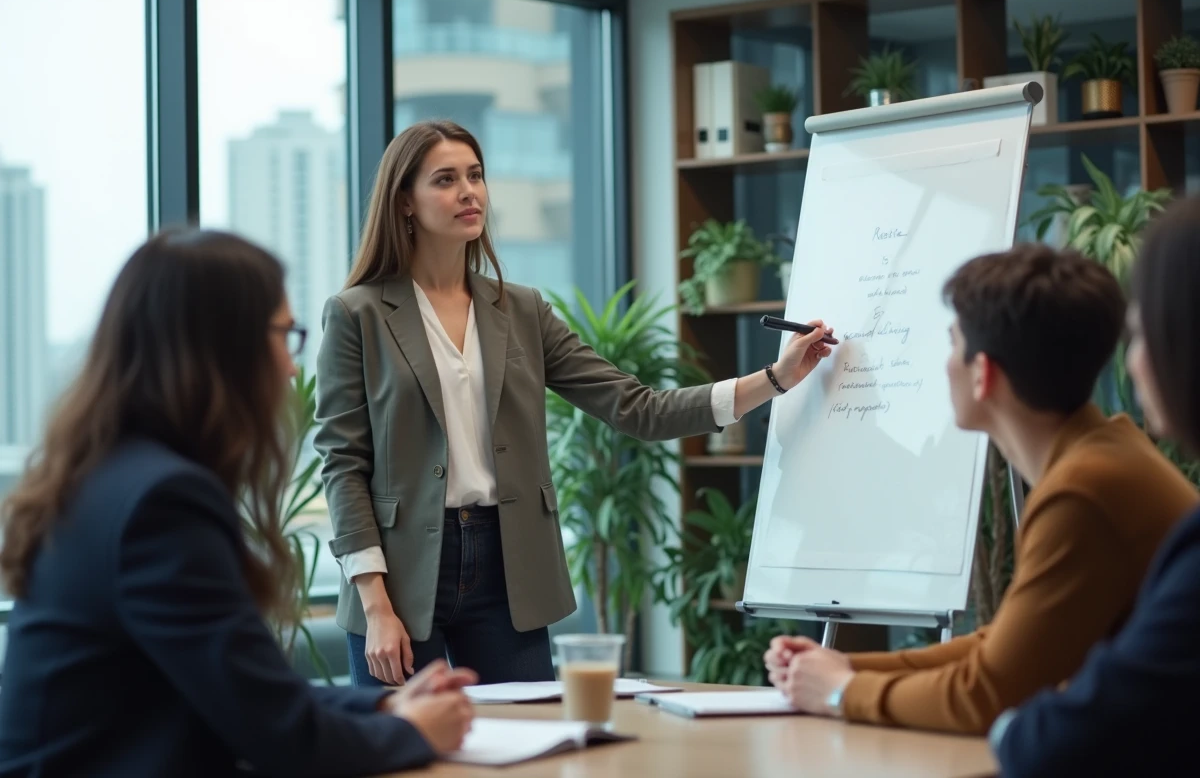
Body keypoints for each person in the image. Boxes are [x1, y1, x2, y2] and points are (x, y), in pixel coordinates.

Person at [315, 119, 834, 688]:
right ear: (405, 203)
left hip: (507, 568)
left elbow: (639, 408)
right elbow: (343, 464)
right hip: (401, 574)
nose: (469, 192)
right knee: (413, 760)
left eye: (476, 175)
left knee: (527, 751)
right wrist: (376, 606)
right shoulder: (357, 314)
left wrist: (776, 378)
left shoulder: (521, 309)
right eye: (445, 179)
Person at [0, 230, 476, 777]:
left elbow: (249, 695)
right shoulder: (164, 504)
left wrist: (386, 703)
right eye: (284, 335)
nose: (292, 367)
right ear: (223, 349)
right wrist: (409, 732)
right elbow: (280, 734)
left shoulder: (108, 477)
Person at [763, 244, 1199, 735]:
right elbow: (1002, 647)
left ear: (984, 372)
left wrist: (842, 692)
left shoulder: (1084, 491)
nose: (945, 364)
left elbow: (988, 693)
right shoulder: (1104, 452)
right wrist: (842, 667)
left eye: (952, 344)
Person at [991, 197, 1200, 776]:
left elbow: (1058, 735)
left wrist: (840, 690)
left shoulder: (1086, 487)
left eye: (1140, 335)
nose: (1131, 365)